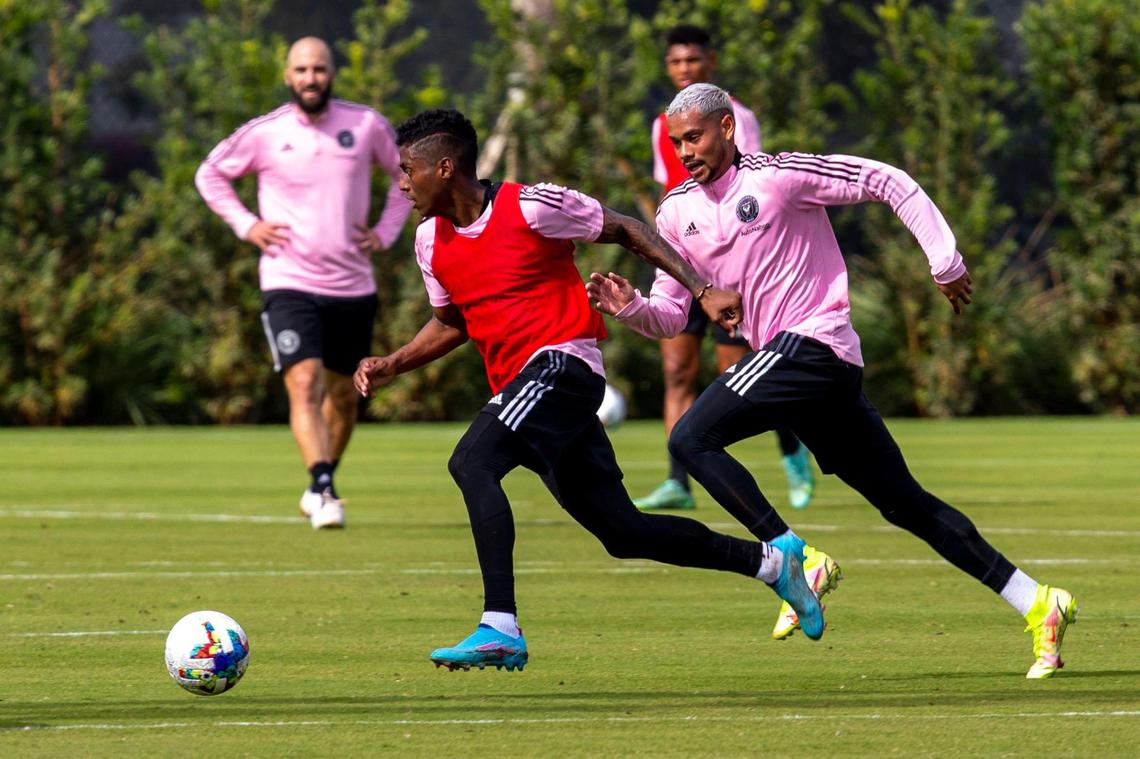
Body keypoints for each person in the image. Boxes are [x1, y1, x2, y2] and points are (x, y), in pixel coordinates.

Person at [588, 83, 1078, 678]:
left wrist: (944, 260)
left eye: (694, 136)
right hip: (802, 374)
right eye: (676, 142)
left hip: (817, 345)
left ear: (726, 128)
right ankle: (1036, 601)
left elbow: (888, 180)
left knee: (690, 438)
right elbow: (670, 315)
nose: (685, 151)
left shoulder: (779, 176)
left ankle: (793, 557)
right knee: (906, 505)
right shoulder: (675, 213)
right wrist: (629, 308)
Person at [352, 108, 825, 672]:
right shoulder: (430, 241)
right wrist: (394, 362)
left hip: (562, 366)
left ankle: (499, 625)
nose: (401, 184)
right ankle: (772, 565)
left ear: (446, 167)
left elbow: (626, 227)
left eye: (408, 170)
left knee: (471, 462)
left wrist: (700, 289)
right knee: (624, 532)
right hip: (530, 390)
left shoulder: (532, 206)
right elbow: (455, 321)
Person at [195, 37, 412, 529]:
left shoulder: (365, 125)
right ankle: (324, 488)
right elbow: (210, 174)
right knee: (304, 381)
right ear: (288, 75)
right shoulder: (265, 132)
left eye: (319, 68)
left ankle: (322, 479)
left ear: (331, 73)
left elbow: (406, 176)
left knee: (344, 396)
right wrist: (247, 225)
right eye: (301, 69)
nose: (310, 77)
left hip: (353, 286)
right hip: (287, 280)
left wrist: (385, 231)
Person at [638, 24, 815, 513]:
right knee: (677, 371)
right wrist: (662, 254)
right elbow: (666, 193)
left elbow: (751, 193)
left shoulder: (737, 116)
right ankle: (679, 479)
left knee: (741, 374)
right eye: (676, 62)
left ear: (710, 63)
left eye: (692, 61)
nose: (684, 69)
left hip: (726, 268)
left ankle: (792, 451)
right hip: (682, 264)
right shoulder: (661, 125)